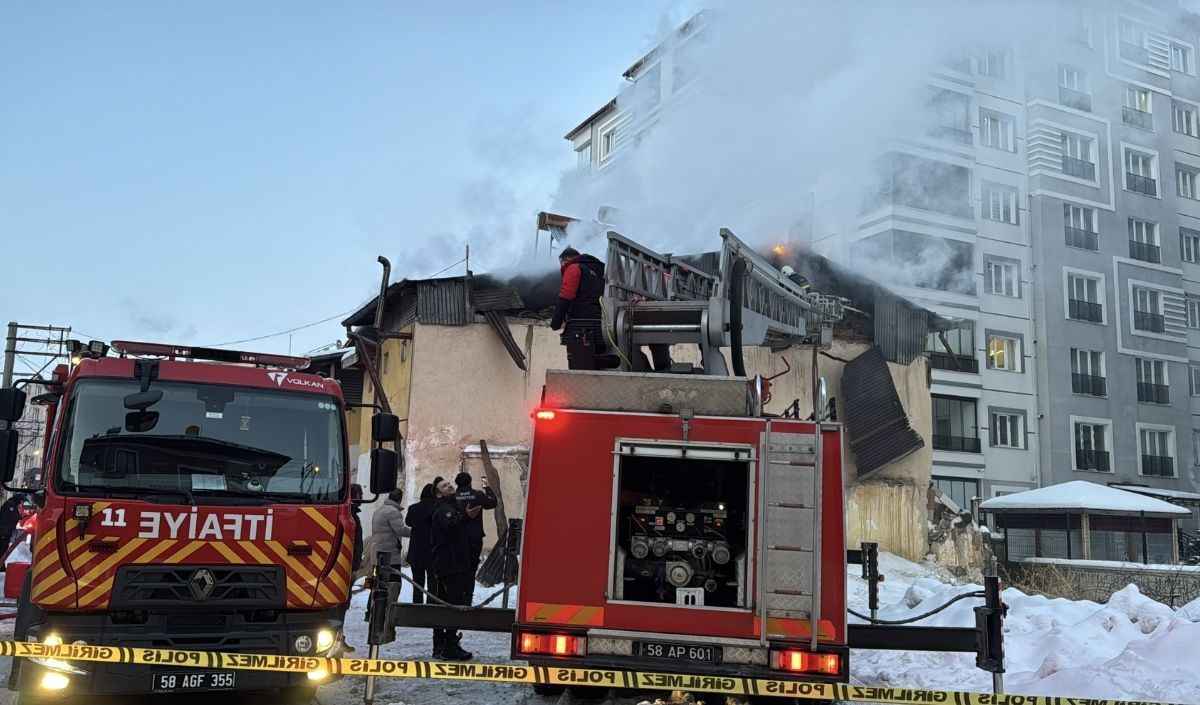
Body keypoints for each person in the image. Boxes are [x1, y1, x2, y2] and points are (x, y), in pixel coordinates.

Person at [430, 478, 481, 660]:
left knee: (452, 605)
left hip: (455, 564)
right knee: (450, 606)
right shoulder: (443, 509)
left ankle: (447, 645)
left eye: (449, 483)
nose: (449, 486)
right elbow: (452, 527)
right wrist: (467, 517)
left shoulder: (452, 506)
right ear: (438, 493)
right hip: (449, 566)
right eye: (444, 486)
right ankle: (446, 647)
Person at [550, 247, 608, 370]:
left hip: (580, 326)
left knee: (579, 364)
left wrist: (556, 323)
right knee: (598, 363)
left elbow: (566, 296)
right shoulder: (601, 271)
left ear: (565, 260)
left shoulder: (574, 268)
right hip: (602, 326)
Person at [454, 472, 498, 576]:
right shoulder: (478, 495)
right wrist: (486, 487)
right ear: (470, 483)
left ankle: (458, 589)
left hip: (457, 537)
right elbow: (493, 503)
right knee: (472, 566)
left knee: (457, 565)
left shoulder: (452, 497)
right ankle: (469, 589)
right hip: (474, 536)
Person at [404, 483, 437, 604]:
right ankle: (431, 607)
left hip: (416, 551)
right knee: (432, 583)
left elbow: (408, 522)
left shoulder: (413, 508)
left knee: (417, 583)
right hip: (432, 551)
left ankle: (417, 606)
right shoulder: (437, 508)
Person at [370, 489, 411, 573]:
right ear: (400, 499)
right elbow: (401, 530)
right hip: (388, 553)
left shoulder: (379, 510)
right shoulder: (393, 512)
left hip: (377, 551)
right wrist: (416, 532)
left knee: (377, 578)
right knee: (392, 581)